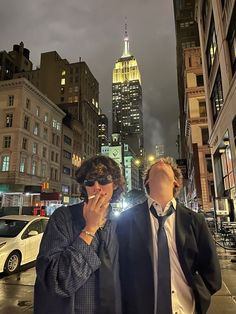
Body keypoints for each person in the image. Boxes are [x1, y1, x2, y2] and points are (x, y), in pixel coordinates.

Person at [117, 157, 221, 314]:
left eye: (167, 165)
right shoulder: (126, 220)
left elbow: (212, 272)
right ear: (147, 183)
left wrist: (198, 297)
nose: (160, 162)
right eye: (155, 166)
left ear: (176, 183)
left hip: (186, 309)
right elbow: (118, 270)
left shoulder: (195, 220)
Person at [34, 155, 124, 314]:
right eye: (90, 182)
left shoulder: (121, 225)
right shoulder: (63, 218)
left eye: (103, 180)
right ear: (84, 187)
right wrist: (90, 228)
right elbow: (56, 282)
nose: (96, 187)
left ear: (115, 184)